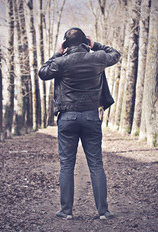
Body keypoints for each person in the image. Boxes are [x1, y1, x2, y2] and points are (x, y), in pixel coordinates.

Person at [39, 27, 121, 220]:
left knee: (67, 165)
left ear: (66, 44)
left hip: (67, 118)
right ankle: (103, 211)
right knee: (96, 165)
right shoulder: (98, 57)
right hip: (91, 116)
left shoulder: (60, 62)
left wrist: (57, 53)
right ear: (86, 42)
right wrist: (96, 45)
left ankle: (66, 211)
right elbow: (115, 54)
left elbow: (42, 72)